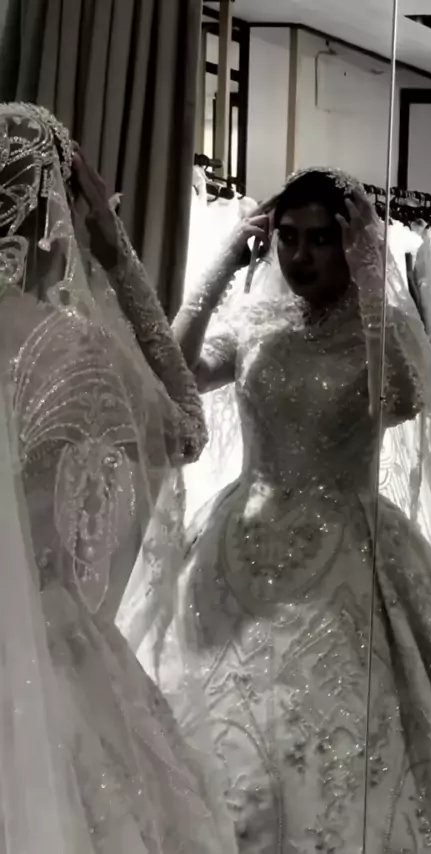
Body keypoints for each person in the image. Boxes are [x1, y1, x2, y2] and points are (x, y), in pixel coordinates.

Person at [134, 168, 431, 853]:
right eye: (288, 237)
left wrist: (375, 281)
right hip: (241, 534)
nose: (299, 255)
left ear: (351, 244)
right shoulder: (257, 321)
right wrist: (217, 269)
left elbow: (402, 399)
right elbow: (175, 377)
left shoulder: (381, 329)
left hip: (347, 543)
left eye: (320, 239)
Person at [0, 102, 235, 854]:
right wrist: (118, 255)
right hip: (49, 653)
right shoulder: (73, 347)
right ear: (57, 210)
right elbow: (187, 427)